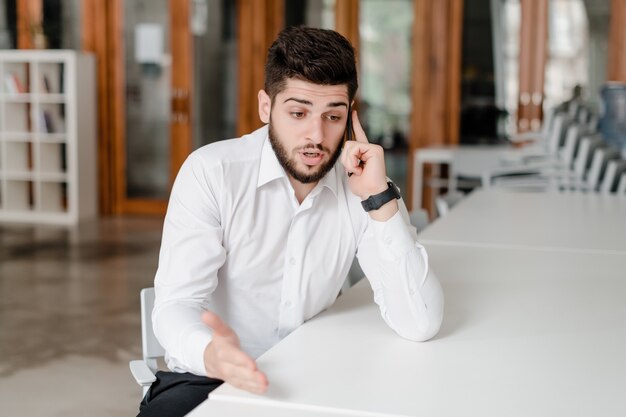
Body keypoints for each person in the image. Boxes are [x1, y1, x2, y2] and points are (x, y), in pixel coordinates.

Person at [138, 26, 444, 417]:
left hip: (315, 376)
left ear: (351, 118)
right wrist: (211, 353)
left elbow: (420, 323)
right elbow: (176, 304)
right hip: (211, 376)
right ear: (266, 108)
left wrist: (379, 198)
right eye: (298, 113)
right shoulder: (212, 172)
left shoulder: (363, 186)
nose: (315, 136)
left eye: (332, 116)